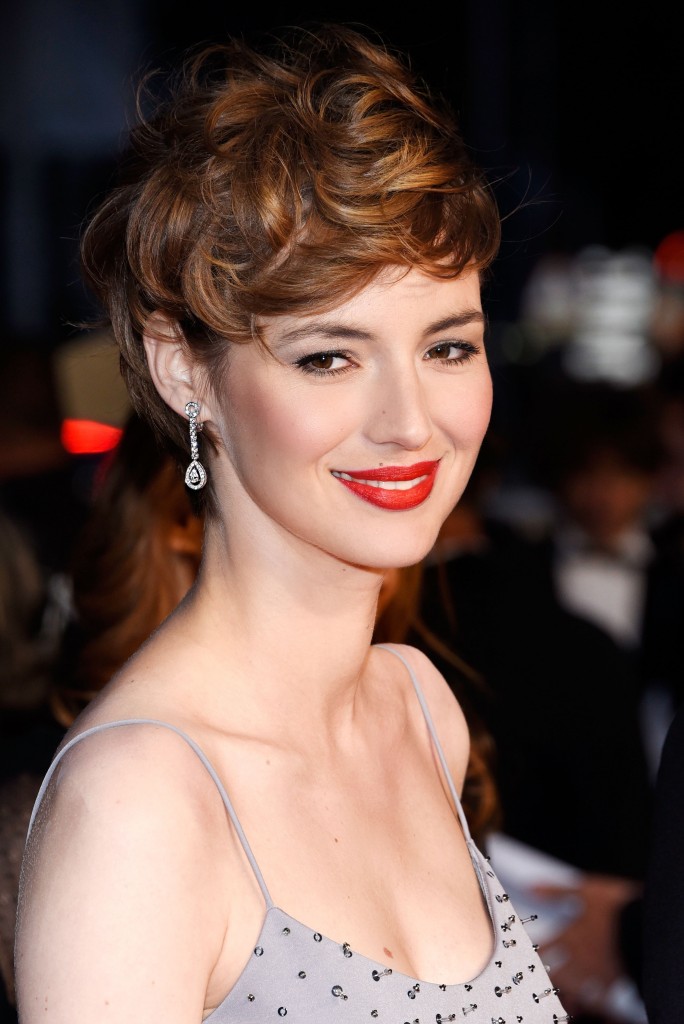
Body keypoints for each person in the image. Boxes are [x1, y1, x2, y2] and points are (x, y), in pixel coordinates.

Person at [15, 24, 569, 1024]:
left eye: (448, 347)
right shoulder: (140, 803)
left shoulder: (419, 707)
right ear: (187, 371)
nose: (411, 423)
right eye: (329, 357)